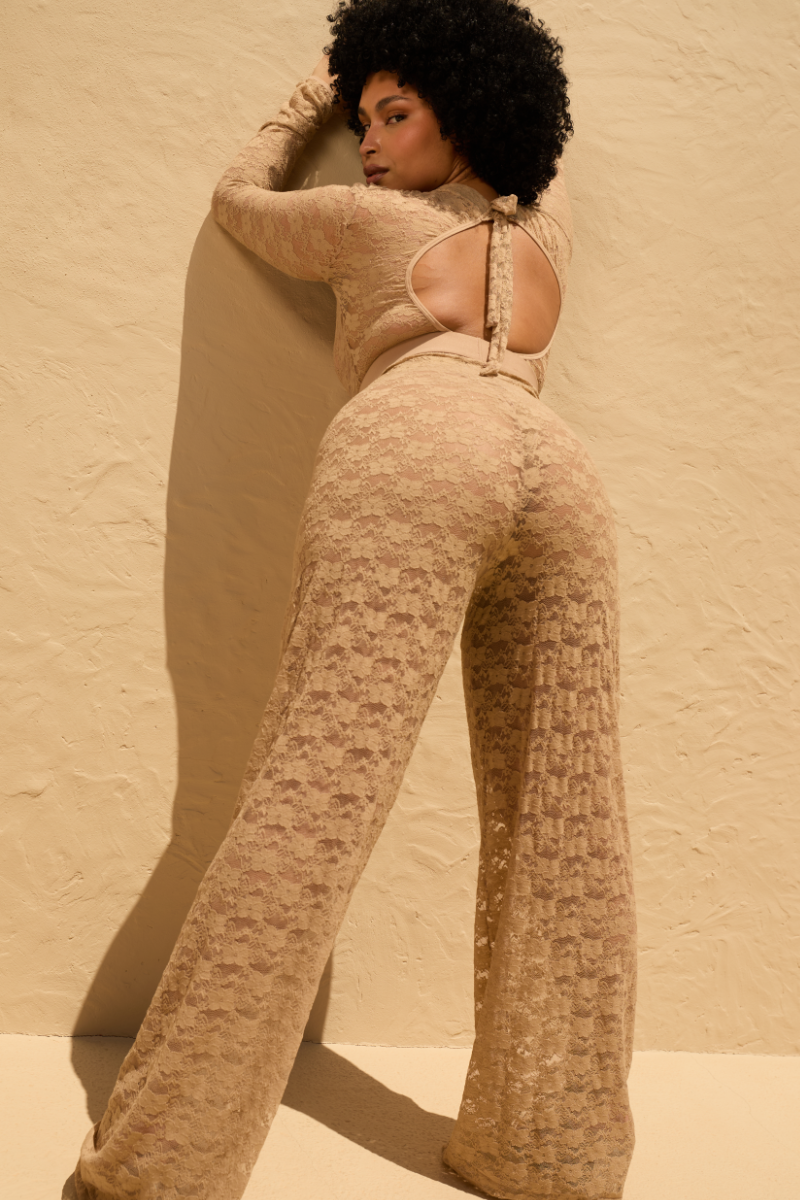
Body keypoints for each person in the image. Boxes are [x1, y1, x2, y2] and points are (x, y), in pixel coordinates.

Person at [73, 1, 637, 1197]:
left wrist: (312, 100)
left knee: (313, 792)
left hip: (413, 444)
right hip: (559, 472)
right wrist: (433, 89)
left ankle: (164, 1166)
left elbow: (237, 200)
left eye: (395, 112)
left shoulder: (356, 220)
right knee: (565, 821)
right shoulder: (548, 227)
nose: (369, 140)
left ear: (461, 111)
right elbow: (533, 154)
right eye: (361, 116)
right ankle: (547, 1152)